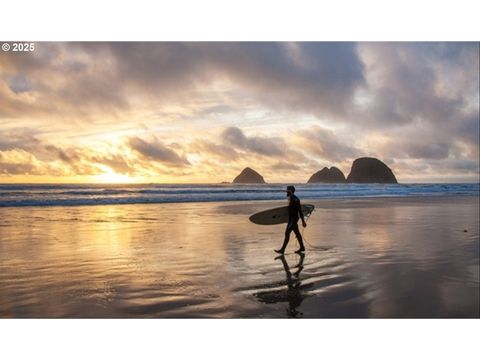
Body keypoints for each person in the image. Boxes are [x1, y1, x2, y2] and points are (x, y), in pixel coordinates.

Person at [275, 185, 306, 254]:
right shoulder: (296, 199)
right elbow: (300, 211)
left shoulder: (292, 199)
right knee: (297, 234)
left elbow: (296, 211)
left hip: (292, 220)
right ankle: (302, 247)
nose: (286, 191)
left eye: (287, 190)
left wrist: (302, 221)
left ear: (290, 191)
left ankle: (282, 250)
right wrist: (303, 221)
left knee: (287, 233)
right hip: (294, 219)